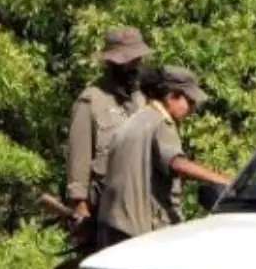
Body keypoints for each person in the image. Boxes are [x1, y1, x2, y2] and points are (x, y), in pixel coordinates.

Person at [96, 65, 233, 248]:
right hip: (141, 232)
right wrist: (223, 180)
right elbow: (176, 163)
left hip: (113, 225)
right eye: (190, 101)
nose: (191, 109)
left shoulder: (136, 120)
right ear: (172, 96)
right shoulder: (160, 122)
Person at [58, 27, 151, 240]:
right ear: (112, 62)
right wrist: (79, 205)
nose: (134, 66)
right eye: (128, 61)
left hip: (143, 207)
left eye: (136, 59)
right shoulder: (91, 101)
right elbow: (78, 159)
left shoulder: (143, 99)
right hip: (107, 209)